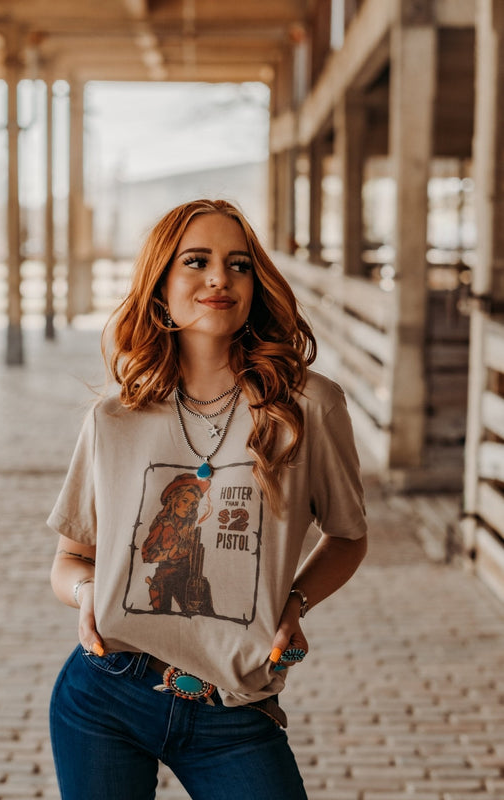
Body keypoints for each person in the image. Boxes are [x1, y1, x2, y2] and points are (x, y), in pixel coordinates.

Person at [48, 198, 368, 800]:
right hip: (105, 692)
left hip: (234, 706)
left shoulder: (309, 408)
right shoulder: (115, 418)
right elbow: (70, 562)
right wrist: (88, 595)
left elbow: (348, 536)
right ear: (161, 283)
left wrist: (295, 602)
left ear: (256, 285)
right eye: (196, 261)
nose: (220, 277)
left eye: (239, 264)